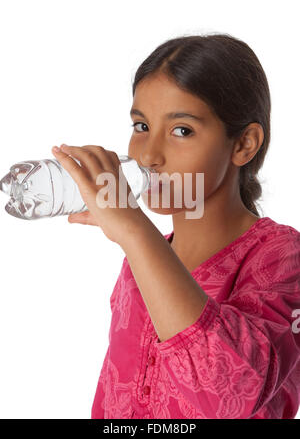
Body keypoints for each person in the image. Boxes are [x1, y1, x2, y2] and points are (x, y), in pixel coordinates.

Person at [52, 33, 300, 419]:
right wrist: (139, 240)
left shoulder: (282, 256)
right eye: (141, 126)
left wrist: (134, 231)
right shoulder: (144, 256)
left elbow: (228, 395)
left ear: (244, 145)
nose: (149, 156)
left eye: (181, 130)